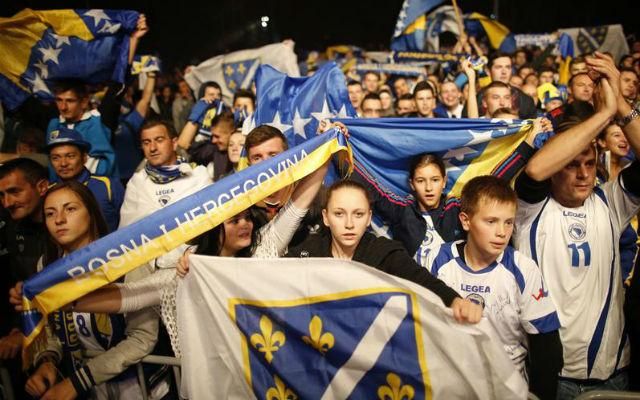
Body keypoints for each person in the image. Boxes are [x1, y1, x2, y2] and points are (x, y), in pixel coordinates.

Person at [512, 52, 640, 397]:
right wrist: (603, 113)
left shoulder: (610, 201)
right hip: (552, 374)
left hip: (612, 371)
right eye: (572, 164)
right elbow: (537, 170)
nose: (584, 173)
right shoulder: (531, 208)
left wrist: (620, 102)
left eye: (589, 162)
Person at [423, 175, 562, 399]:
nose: (502, 232)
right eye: (491, 221)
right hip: (449, 389)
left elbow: (547, 348)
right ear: (466, 221)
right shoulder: (436, 260)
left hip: (506, 390)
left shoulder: (522, 269)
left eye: (508, 222)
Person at [24, 181, 160, 400]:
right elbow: (51, 327)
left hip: (141, 388)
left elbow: (142, 338)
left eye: (70, 209)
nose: (59, 219)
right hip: (91, 391)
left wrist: (76, 383)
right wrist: (47, 360)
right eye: (50, 213)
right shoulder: (47, 265)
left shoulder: (126, 259)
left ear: (91, 212)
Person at [350, 117, 547, 264]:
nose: (428, 187)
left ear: (444, 182)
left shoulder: (456, 207)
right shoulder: (402, 209)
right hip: (416, 292)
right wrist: (340, 147)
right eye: (421, 180)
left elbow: (495, 178)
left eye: (434, 180)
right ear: (411, 184)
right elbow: (368, 186)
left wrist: (528, 142)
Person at [286, 180, 483, 324]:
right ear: (326, 218)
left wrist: (455, 300)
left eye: (358, 214)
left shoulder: (384, 252)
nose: (349, 224)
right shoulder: (306, 252)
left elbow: (424, 281)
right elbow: (274, 280)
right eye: (339, 214)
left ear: (369, 217)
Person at [47, 127, 124, 232]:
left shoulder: (107, 186)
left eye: (70, 156)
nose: (63, 163)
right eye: (56, 158)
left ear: (84, 158)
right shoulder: (48, 193)